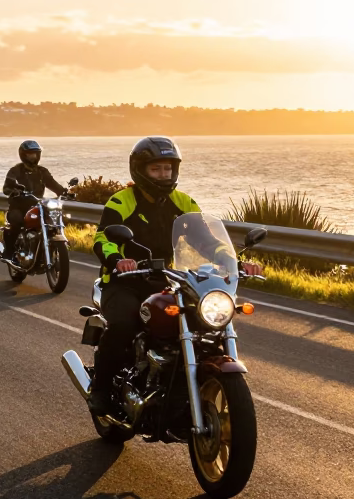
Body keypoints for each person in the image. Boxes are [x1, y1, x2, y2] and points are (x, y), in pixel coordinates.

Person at [88, 136, 262, 415]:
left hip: (166, 279)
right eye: (156, 169)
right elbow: (102, 238)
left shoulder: (183, 201)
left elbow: (205, 239)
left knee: (201, 324)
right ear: (140, 170)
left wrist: (233, 260)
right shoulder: (122, 201)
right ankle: (101, 388)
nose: (163, 175)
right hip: (125, 282)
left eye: (167, 169)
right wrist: (118, 260)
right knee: (122, 323)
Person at [0, 140, 66, 263]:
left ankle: (46, 249)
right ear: (23, 155)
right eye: (30, 154)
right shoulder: (16, 170)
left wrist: (64, 192)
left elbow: (52, 184)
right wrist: (14, 190)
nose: (33, 157)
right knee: (16, 221)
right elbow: (6, 187)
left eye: (35, 154)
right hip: (19, 206)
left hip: (38, 205)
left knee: (51, 221)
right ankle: (8, 252)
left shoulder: (42, 171)